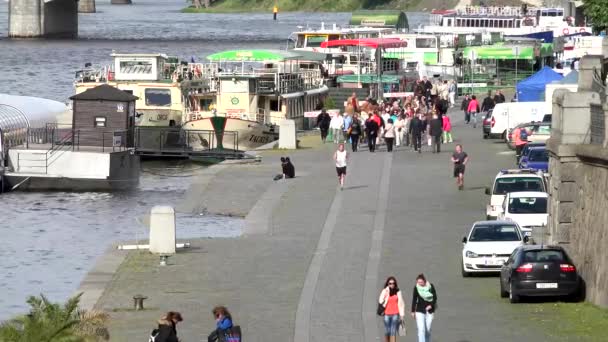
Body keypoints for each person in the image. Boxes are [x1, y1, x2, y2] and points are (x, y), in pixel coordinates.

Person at [411, 274, 437, 342]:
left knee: (427, 330)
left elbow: (435, 298)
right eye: (418, 282)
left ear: (424, 281)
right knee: (421, 329)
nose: (419, 284)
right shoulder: (416, 288)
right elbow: (414, 299)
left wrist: (431, 305)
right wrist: (413, 311)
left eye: (421, 282)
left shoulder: (430, 286)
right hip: (419, 310)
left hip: (430, 311)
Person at [378, 276, 405, 342]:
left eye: (393, 283)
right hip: (386, 314)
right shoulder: (385, 291)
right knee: (388, 330)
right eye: (390, 283)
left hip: (395, 314)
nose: (392, 285)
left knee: (393, 331)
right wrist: (385, 292)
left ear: (395, 284)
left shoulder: (398, 291)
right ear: (388, 284)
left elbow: (401, 303)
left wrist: (401, 315)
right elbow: (380, 301)